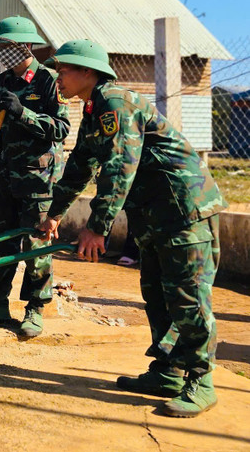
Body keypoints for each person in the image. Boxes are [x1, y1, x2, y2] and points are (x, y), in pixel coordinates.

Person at [37, 39, 227, 418]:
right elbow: (79, 167)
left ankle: (201, 380)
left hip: (184, 210)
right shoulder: (94, 110)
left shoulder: (115, 103)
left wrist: (98, 226)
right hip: (154, 215)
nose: (57, 77)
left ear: (87, 72)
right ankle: (169, 372)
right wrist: (54, 213)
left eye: (64, 70)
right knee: (156, 292)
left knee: (187, 295)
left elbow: (119, 166)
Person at [0, 17, 70, 339]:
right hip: (5, 178)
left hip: (39, 181)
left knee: (36, 246)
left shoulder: (48, 80)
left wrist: (22, 112)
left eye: (8, 46)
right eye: (0, 46)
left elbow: (61, 129)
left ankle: (35, 308)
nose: (3, 52)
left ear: (25, 46)